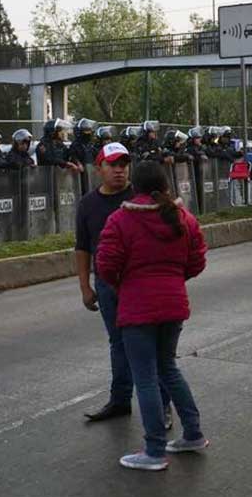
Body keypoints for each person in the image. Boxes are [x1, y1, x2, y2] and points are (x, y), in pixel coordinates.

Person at [96, 160, 209, 471]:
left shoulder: (121, 219)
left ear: (137, 185)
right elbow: (197, 259)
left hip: (137, 307)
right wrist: (175, 278)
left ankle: (155, 450)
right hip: (173, 304)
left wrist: (122, 284)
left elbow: (104, 263)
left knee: (145, 377)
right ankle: (193, 433)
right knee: (167, 368)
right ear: (166, 185)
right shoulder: (183, 217)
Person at [75, 142, 174, 427]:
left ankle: (162, 406)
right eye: (112, 164)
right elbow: (82, 248)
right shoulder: (88, 204)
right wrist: (85, 287)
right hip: (107, 285)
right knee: (118, 343)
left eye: (124, 164)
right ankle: (120, 400)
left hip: (140, 284)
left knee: (151, 348)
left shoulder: (141, 197)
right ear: (99, 169)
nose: (119, 170)